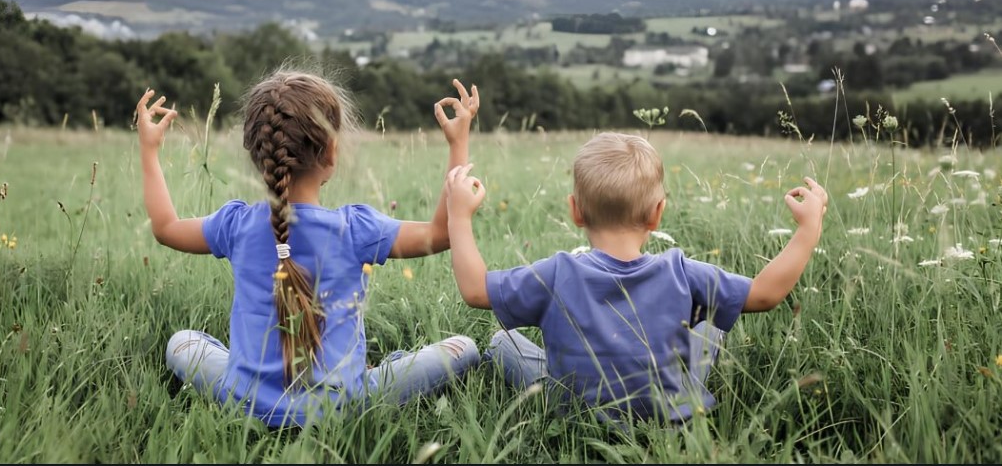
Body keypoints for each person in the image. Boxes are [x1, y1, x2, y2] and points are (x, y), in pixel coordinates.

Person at [135, 66, 483, 428]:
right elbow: (442, 234)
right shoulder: (354, 230)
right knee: (463, 348)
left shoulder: (235, 225)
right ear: (331, 151)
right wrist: (458, 143)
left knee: (182, 342)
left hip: (246, 403)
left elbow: (166, 228)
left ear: (257, 152)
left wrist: (149, 150)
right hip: (343, 409)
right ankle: (377, 369)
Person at [443, 131, 828, 426]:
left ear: (575, 211)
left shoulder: (557, 273)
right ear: (657, 213)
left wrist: (458, 216)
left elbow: (475, 290)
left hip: (574, 414)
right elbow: (765, 294)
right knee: (710, 328)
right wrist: (808, 228)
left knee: (501, 341)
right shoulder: (682, 272)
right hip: (673, 416)